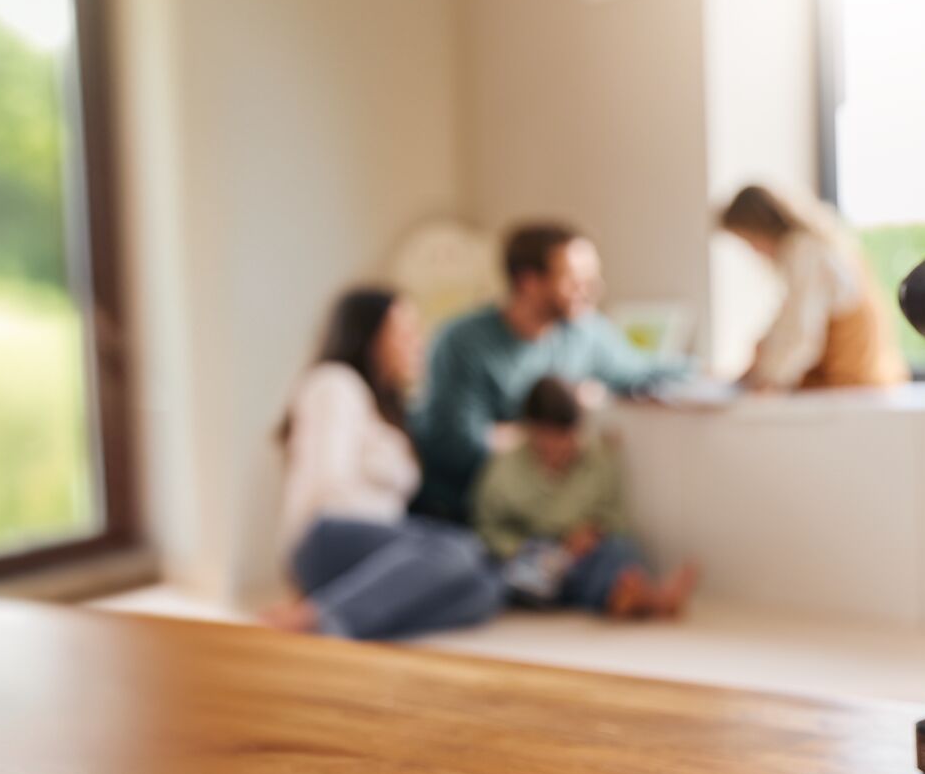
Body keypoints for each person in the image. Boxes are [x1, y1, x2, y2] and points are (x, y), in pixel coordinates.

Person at [266, 287, 503, 639]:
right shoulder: (335, 383)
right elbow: (322, 480)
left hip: (377, 548)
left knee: (485, 590)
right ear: (370, 336)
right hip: (328, 535)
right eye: (404, 331)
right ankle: (320, 615)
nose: (416, 342)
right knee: (459, 548)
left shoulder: (388, 408)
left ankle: (345, 617)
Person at [409, 221, 677, 520]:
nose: (593, 290)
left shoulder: (585, 333)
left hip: (539, 513)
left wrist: (718, 375)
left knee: (617, 553)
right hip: (462, 512)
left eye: (593, 279)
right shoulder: (461, 341)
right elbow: (462, 445)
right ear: (529, 282)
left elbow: (642, 371)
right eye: (576, 280)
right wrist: (551, 430)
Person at [472, 376, 697, 619]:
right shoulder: (505, 469)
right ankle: (636, 598)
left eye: (566, 435)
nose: (558, 446)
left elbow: (616, 517)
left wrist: (591, 533)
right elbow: (488, 528)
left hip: (583, 554)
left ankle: (630, 594)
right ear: (531, 430)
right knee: (517, 575)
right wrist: (530, 549)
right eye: (548, 437)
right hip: (533, 556)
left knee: (619, 549)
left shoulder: (599, 458)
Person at [717, 185, 910, 392]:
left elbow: (803, 332)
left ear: (759, 228)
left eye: (749, 241)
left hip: (850, 376)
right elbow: (788, 323)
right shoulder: (809, 246)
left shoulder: (804, 250)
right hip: (850, 376)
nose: (754, 251)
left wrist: (770, 379)